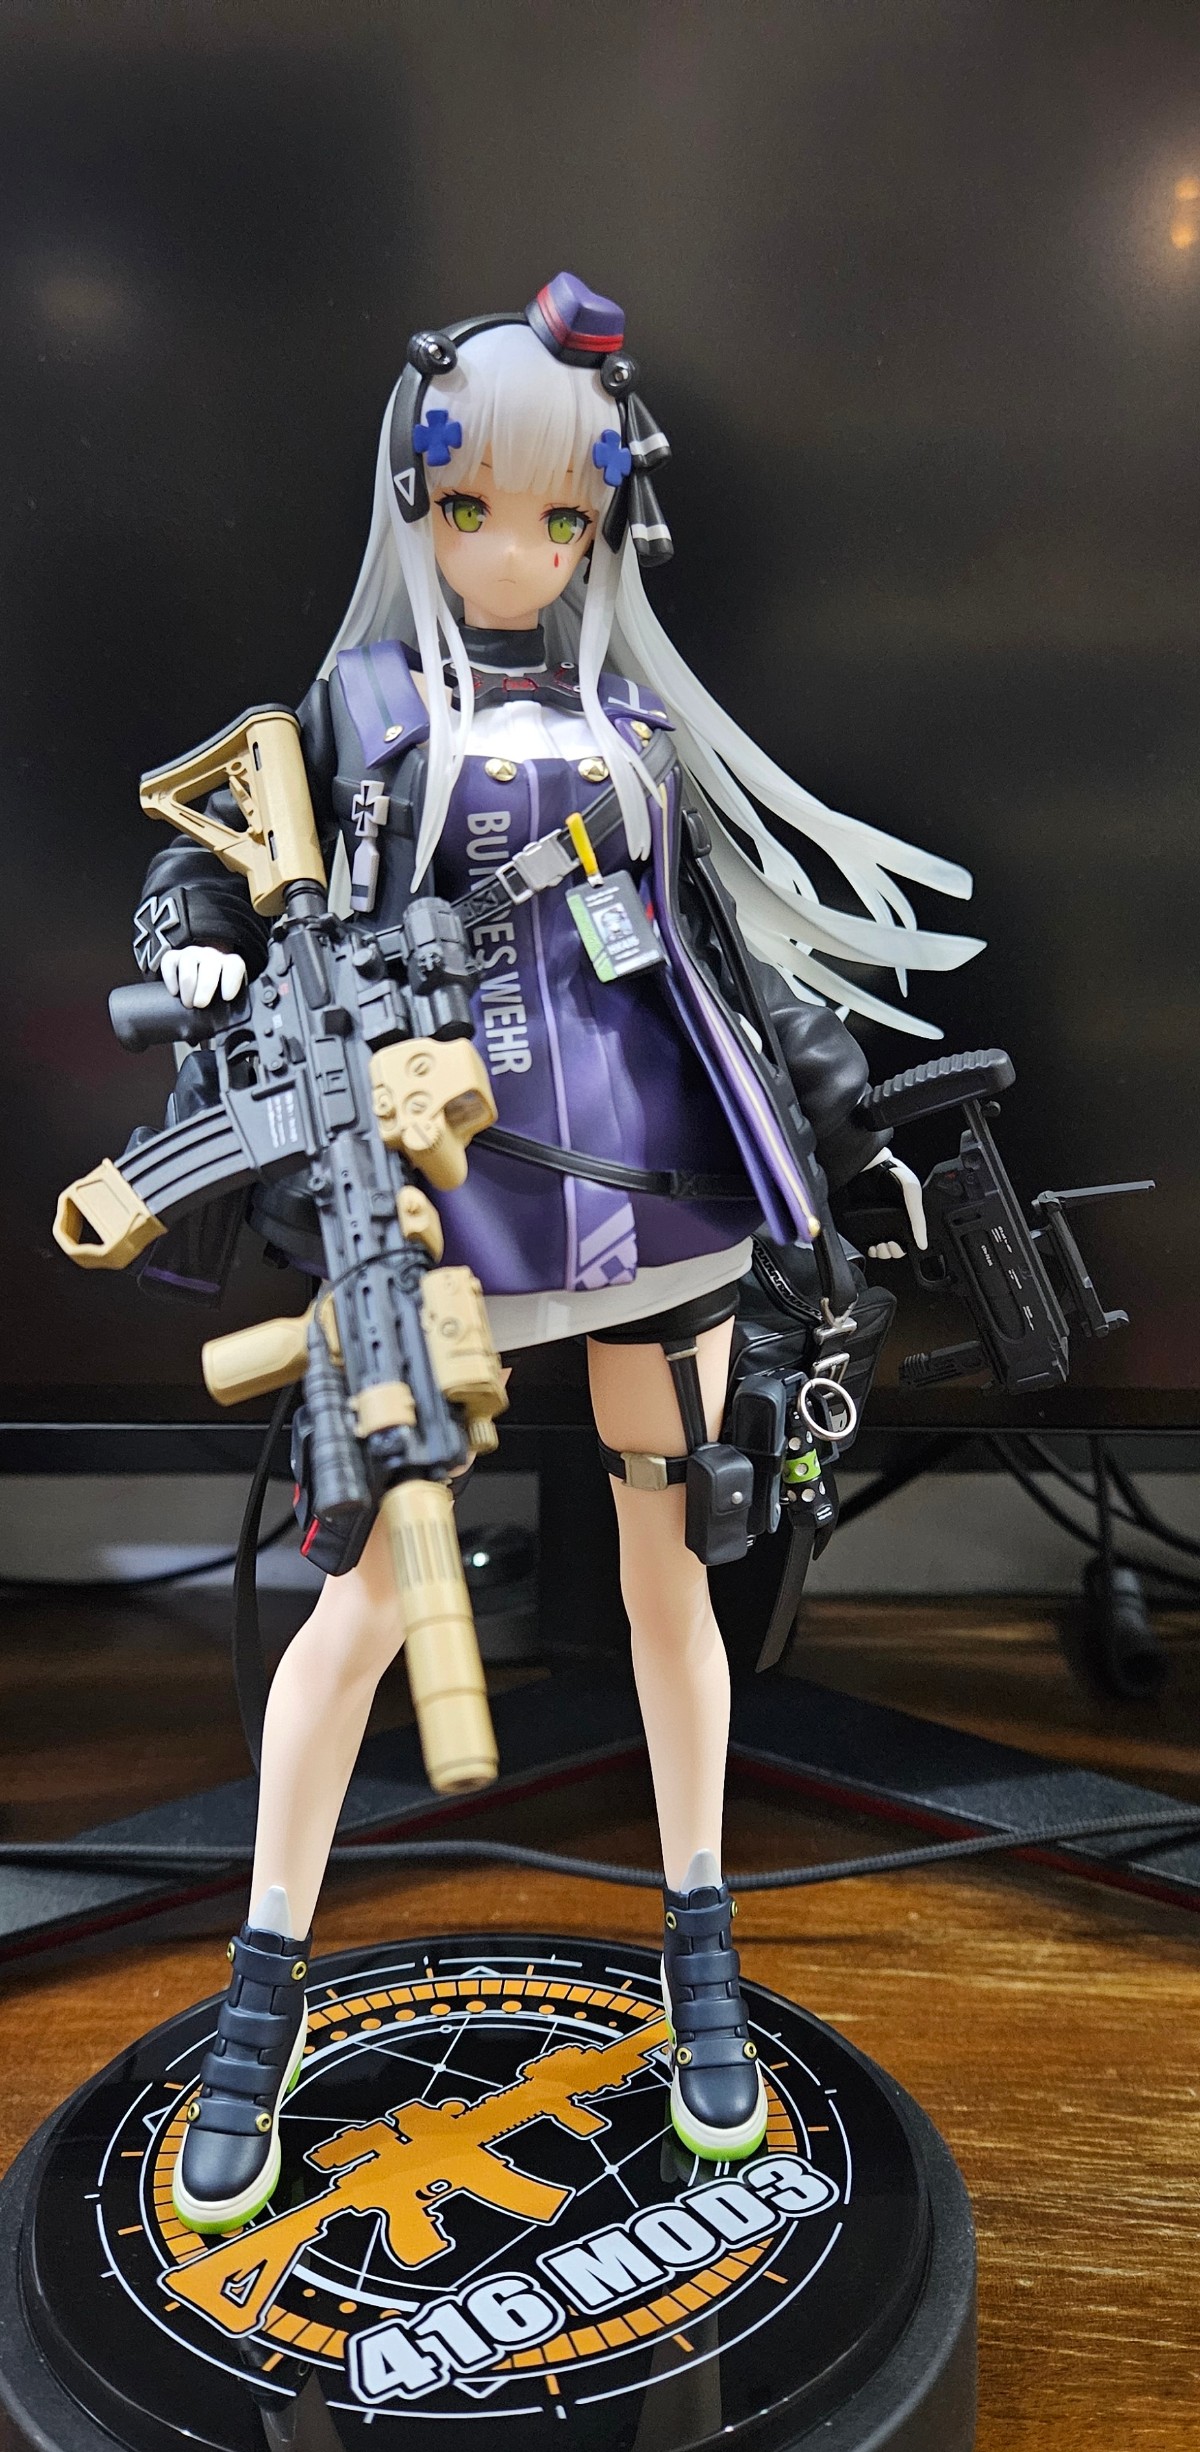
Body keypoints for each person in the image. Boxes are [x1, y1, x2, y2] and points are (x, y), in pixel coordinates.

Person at [135, 273, 981, 2226]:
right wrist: (196, 939)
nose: (518, 548)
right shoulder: (363, 714)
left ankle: (700, 1927)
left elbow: (714, 950)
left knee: (671, 1568)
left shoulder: (634, 722)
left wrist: (832, 1119)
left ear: (606, 526)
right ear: (415, 506)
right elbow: (215, 844)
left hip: (653, 1190)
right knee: (367, 1588)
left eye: (563, 516)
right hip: (443, 1202)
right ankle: (265, 1972)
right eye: (472, 508)